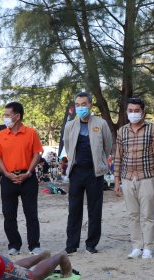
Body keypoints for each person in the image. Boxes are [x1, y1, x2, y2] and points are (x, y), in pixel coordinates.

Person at [63, 91, 113, 254]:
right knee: (74, 209)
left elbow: (107, 147)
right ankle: (72, 244)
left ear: (90, 105)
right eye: (77, 105)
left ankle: (91, 244)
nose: (80, 108)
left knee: (95, 209)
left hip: (95, 173)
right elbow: (68, 147)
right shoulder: (70, 125)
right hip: (76, 172)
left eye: (83, 104)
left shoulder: (101, 123)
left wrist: (100, 162)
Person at [114, 97, 154, 259]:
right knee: (132, 214)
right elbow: (118, 157)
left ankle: (148, 247)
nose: (133, 113)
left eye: (137, 111)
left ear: (143, 112)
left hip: (146, 177)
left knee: (147, 215)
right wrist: (116, 181)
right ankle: (137, 246)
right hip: (128, 178)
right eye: (130, 111)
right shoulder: (122, 131)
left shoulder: (153, 130)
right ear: (126, 111)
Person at [0, 101, 44, 256]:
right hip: (8, 179)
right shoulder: (1, 135)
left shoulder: (31, 133)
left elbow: (37, 153)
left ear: (17, 116)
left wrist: (28, 172)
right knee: (9, 214)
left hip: (28, 178)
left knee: (31, 213)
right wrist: (6, 174)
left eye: (7, 115)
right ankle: (14, 244)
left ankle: (34, 245)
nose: (5, 118)